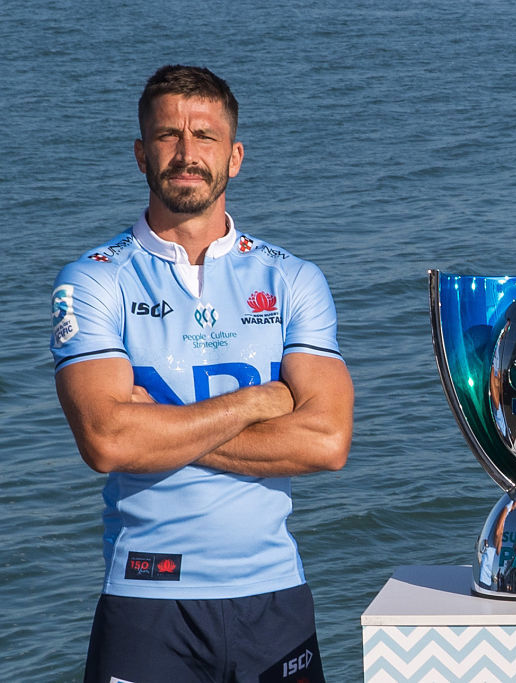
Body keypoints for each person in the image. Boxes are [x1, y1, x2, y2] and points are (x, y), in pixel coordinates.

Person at [50, 65, 353, 682]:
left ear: (234, 157)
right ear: (141, 153)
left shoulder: (293, 280)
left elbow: (327, 442)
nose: (187, 153)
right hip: (147, 597)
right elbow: (107, 442)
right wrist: (256, 403)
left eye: (205, 136)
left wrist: (158, 426)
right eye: (168, 135)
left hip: (274, 597)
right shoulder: (94, 280)